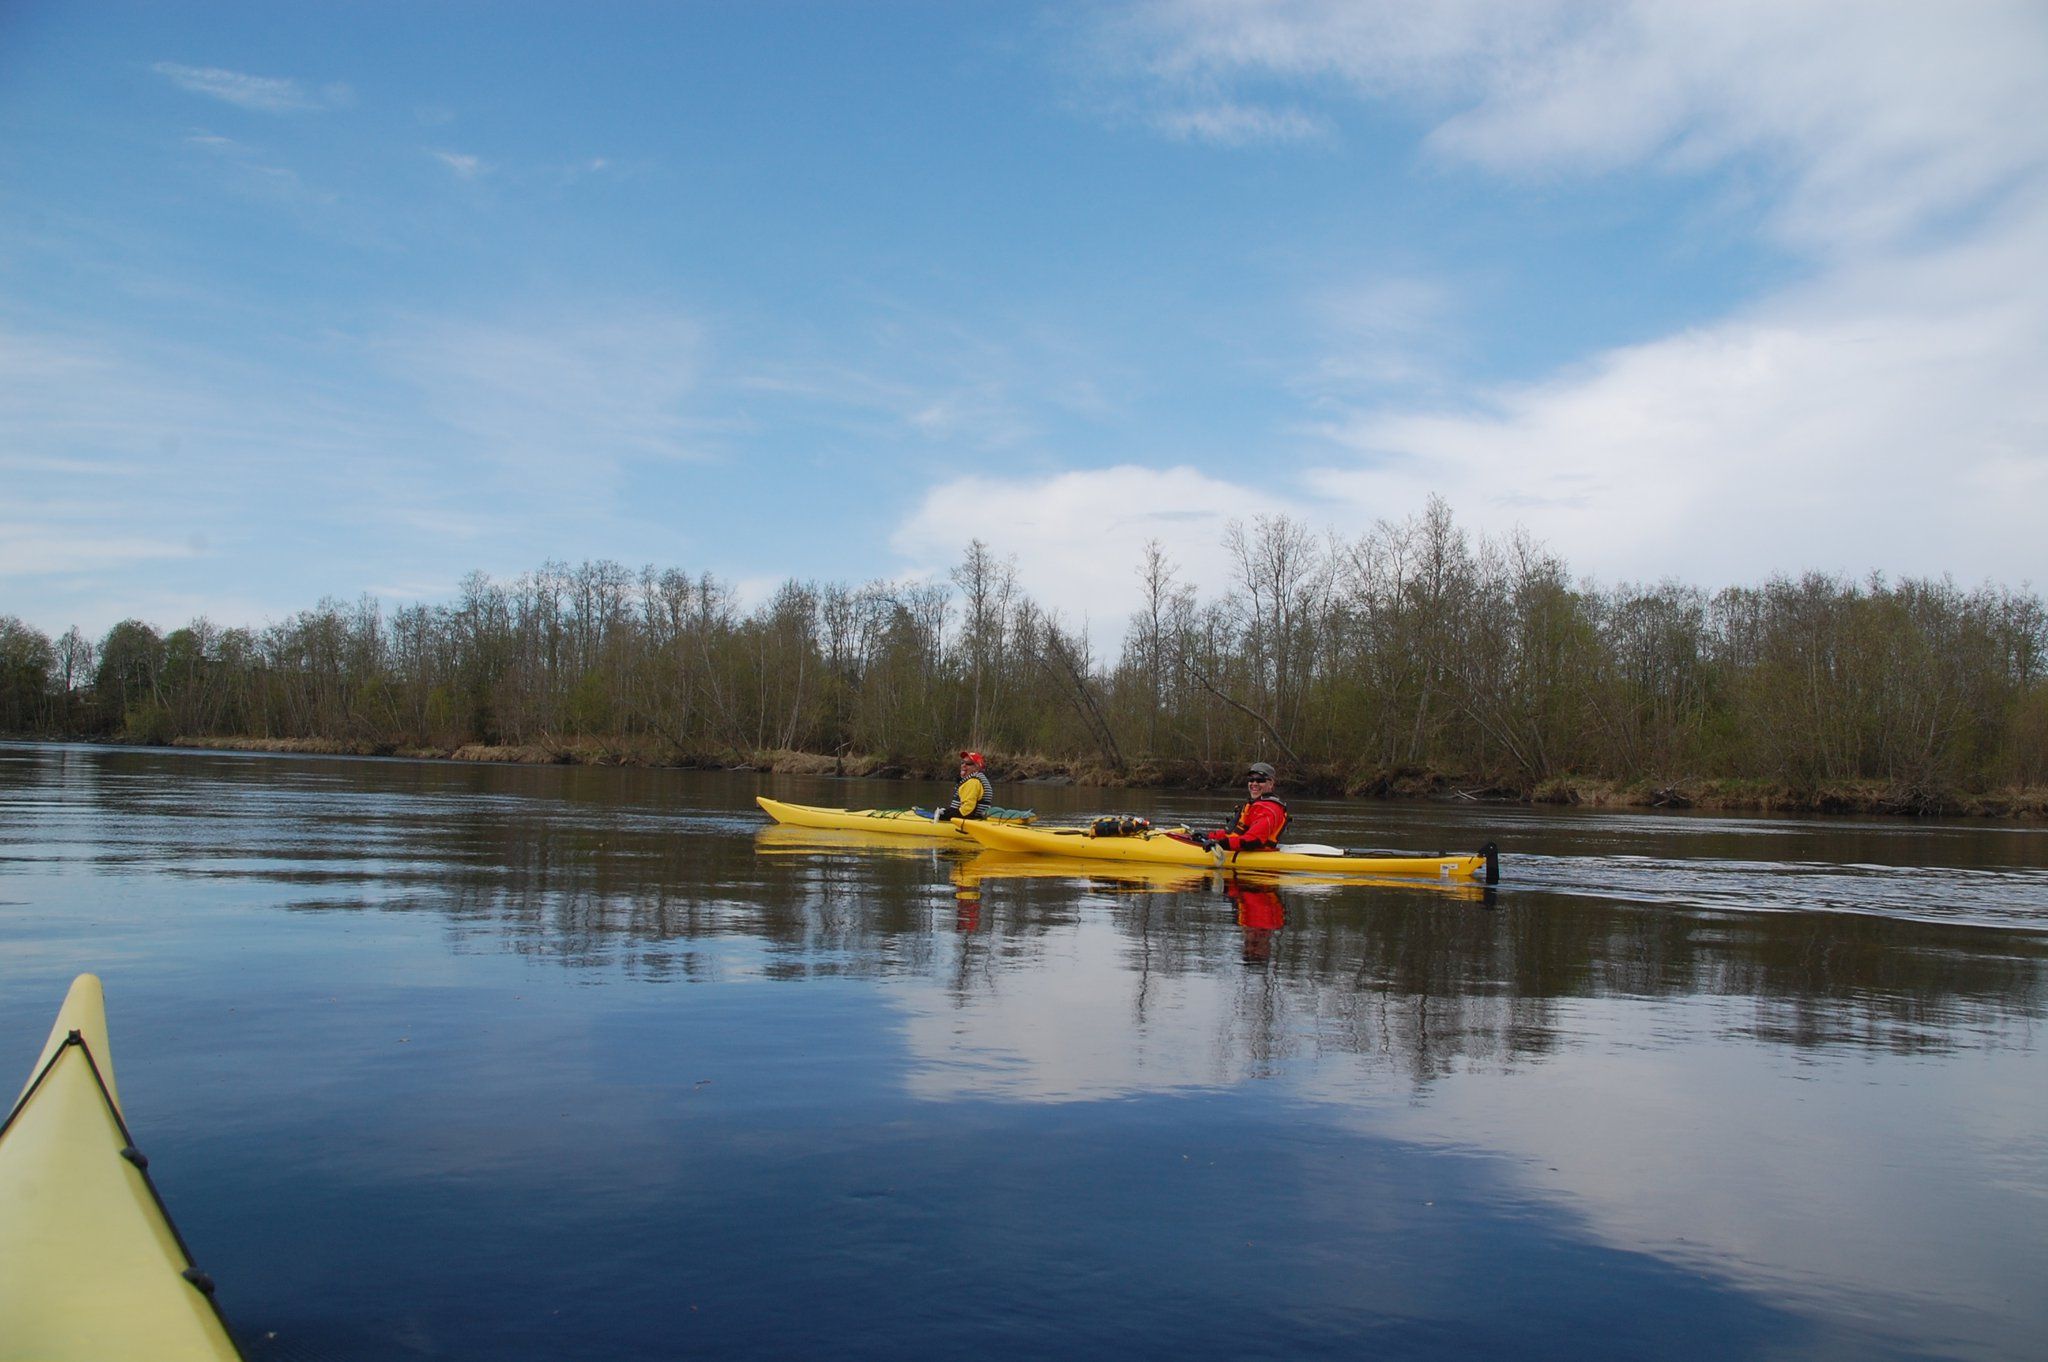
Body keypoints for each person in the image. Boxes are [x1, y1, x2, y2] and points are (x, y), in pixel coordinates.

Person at [1200, 761, 1290, 852]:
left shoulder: (1268, 809)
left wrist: (1220, 844)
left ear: (1270, 784)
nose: (1254, 783)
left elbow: (1253, 840)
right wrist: (1209, 836)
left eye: (1260, 780)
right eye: (1251, 779)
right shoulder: (1255, 805)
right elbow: (1233, 833)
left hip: (1256, 855)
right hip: (1243, 849)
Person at [934, 750, 995, 822]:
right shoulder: (976, 779)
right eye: (962, 762)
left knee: (942, 813)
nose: (963, 765)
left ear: (977, 767)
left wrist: (945, 815)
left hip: (969, 821)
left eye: (968, 763)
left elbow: (967, 810)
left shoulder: (973, 782)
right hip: (975, 819)